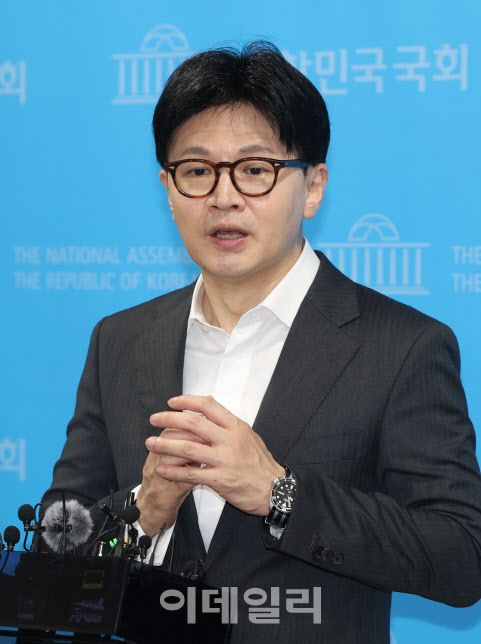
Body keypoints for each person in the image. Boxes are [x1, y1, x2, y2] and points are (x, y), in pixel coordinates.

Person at [43, 42, 481, 642]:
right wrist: (144, 511)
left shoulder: (401, 346)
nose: (224, 197)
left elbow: (460, 555)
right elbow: (54, 550)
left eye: (255, 170)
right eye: (197, 171)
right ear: (168, 189)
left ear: (313, 187)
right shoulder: (119, 341)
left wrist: (280, 494)